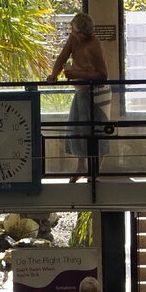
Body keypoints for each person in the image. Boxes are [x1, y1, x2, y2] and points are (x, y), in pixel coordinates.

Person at [45, 12, 112, 180]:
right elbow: (63, 56)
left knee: (97, 130)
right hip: (81, 92)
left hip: (97, 93)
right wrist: (54, 74)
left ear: (84, 33)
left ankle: (95, 170)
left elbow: (103, 75)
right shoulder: (74, 39)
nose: (73, 34)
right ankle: (81, 166)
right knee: (77, 129)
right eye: (73, 31)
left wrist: (77, 73)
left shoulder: (94, 45)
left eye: (75, 31)